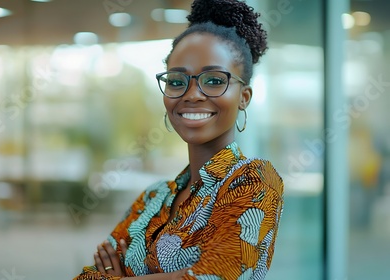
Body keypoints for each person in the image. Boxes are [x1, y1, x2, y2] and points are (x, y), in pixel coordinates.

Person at [74, 0, 284, 279]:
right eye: (176, 81)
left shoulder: (255, 180)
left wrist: (120, 277)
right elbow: (88, 276)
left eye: (213, 80)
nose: (192, 94)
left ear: (243, 98)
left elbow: (213, 277)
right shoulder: (153, 197)